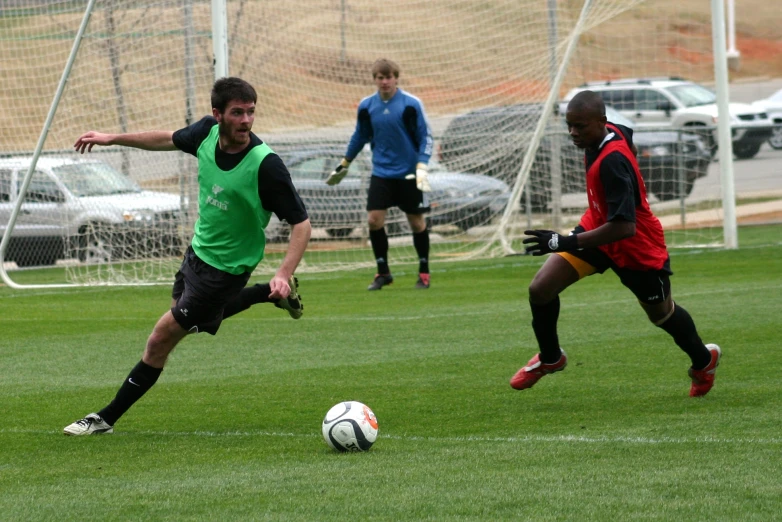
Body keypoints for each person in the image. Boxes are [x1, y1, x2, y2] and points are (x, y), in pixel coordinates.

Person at [63, 77, 312, 435]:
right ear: (218, 114)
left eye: (251, 112)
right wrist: (111, 138)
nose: (246, 120)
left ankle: (105, 418)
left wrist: (283, 272)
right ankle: (266, 296)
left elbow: (301, 225)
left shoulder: (265, 165)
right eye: (237, 112)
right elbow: (165, 138)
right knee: (198, 317)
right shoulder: (206, 133)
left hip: (227, 269)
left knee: (160, 338)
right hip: (196, 253)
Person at [510, 90, 720, 397]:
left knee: (661, 314)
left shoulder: (613, 163)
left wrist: (563, 241)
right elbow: (629, 135)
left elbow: (624, 227)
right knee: (540, 289)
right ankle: (551, 358)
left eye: (580, 126)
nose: (573, 133)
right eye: (570, 125)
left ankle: (704, 361)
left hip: (635, 246)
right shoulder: (613, 132)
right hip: (597, 228)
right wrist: (570, 241)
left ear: (601, 123)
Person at [327, 58, 434, 290]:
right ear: (374, 79)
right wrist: (345, 163)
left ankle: (424, 272)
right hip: (382, 173)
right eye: (380, 77)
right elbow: (360, 136)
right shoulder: (366, 106)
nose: (385, 81)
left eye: (389, 77)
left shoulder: (411, 104)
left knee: (416, 223)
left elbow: (426, 136)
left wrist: (422, 165)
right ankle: (383, 272)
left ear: (396, 78)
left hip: (408, 174)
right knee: (374, 220)